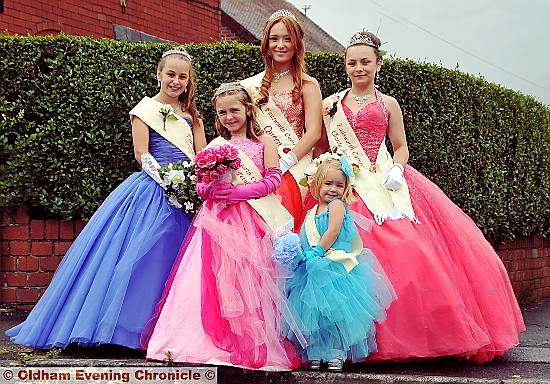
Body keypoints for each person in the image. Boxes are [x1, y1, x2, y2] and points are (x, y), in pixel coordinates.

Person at [317, 31, 525, 363]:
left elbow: (400, 146)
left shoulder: (388, 104)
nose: (359, 68)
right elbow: (323, 147)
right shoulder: (330, 105)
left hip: (385, 180)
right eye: (352, 62)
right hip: (349, 186)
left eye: (365, 62)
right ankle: (349, 339)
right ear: (345, 65)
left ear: (378, 64)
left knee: (408, 250)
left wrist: (397, 169)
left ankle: (416, 337)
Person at [5, 47, 206, 350]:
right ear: (158, 74)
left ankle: (172, 333)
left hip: (187, 195)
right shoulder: (145, 109)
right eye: (170, 74)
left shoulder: (192, 117)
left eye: (182, 77)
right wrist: (167, 180)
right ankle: (125, 332)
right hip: (153, 189)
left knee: (181, 263)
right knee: (141, 259)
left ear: (189, 81)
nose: (176, 81)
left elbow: (201, 158)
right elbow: (142, 154)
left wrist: (192, 185)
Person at [144, 83, 304, 370]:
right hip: (217, 223)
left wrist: (238, 193)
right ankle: (203, 341)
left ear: (248, 110)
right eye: (223, 112)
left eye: (234, 110)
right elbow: (200, 185)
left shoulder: (263, 142)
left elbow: (273, 179)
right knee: (213, 277)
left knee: (250, 280)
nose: (229, 116)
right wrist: (212, 191)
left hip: (253, 220)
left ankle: (251, 340)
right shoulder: (215, 147)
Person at [284, 157, 396, 371]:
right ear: (316, 183)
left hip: (335, 266)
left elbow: (333, 231)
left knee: (335, 315)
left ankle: (335, 353)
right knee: (313, 315)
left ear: (346, 188)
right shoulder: (310, 212)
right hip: (313, 267)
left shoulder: (337, 206)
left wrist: (317, 251)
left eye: (339, 185)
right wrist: (299, 253)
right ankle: (315, 352)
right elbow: (305, 236)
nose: (334, 189)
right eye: (328, 183)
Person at [240, 9, 323, 232]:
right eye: (274, 39)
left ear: (297, 44)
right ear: (266, 43)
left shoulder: (309, 85)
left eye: (288, 39)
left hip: (294, 162)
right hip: (258, 161)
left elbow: (314, 132)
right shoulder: (250, 85)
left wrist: (286, 162)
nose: (281, 45)